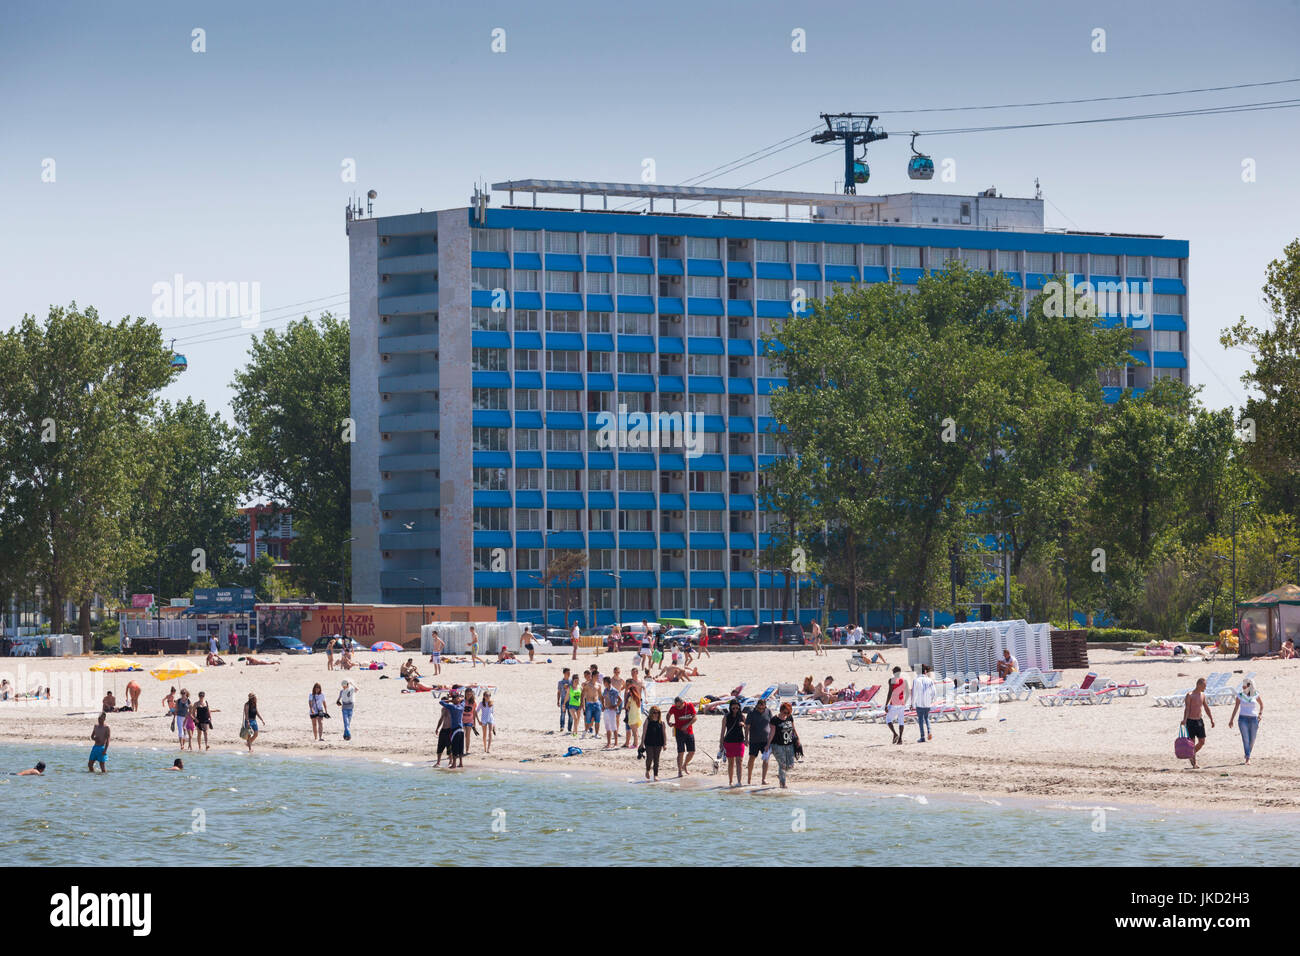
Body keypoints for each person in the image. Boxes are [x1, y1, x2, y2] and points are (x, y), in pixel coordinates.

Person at [1181, 676, 1215, 769]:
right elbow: (1187, 708)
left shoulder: (1203, 695)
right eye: (1204, 685)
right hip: (1190, 721)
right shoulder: (1190, 695)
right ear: (1199, 685)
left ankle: (1191, 753)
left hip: (1199, 720)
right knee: (1192, 742)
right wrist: (1184, 719)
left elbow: (1206, 708)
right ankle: (1194, 763)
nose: (1205, 688)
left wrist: (1211, 719)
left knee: (1202, 741)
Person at [1228, 678, 1263, 764]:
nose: (1243, 687)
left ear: (1249, 686)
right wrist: (1231, 719)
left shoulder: (1256, 694)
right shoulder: (1240, 695)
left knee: (1253, 739)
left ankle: (1248, 753)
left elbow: (1262, 705)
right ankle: (1248, 757)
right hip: (1242, 719)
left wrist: (1260, 714)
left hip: (1254, 719)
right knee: (1246, 739)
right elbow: (1236, 708)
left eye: (1244, 686)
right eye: (1243, 686)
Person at [768, 701, 799, 789]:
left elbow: (793, 729)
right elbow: (772, 733)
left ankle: (781, 775)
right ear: (781, 710)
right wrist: (768, 744)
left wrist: (797, 738)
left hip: (789, 744)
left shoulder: (789, 717)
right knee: (782, 765)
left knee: (790, 765)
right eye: (785, 712)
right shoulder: (774, 719)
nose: (786, 714)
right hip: (777, 745)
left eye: (788, 712)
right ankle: (783, 783)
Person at [719, 699, 747, 787]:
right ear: (730, 707)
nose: (735, 709)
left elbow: (747, 729)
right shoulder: (726, 717)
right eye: (733, 707)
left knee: (739, 761)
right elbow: (723, 730)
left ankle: (739, 781)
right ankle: (730, 781)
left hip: (739, 741)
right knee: (730, 763)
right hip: (729, 742)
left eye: (737, 707)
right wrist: (721, 743)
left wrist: (744, 725)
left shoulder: (742, 716)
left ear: (739, 707)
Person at [667, 694, 696, 777]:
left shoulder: (689, 706)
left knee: (692, 752)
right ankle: (679, 770)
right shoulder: (673, 708)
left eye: (679, 706)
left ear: (683, 703)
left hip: (689, 731)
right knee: (681, 752)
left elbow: (695, 718)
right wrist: (669, 722)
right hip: (679, 732)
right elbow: (668, 714)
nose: (678, 708)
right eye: (677, 706)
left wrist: (687, 725)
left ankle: (685, 765)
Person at [746, 697, 772, 785]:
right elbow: (747, 727)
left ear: (765, 706)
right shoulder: (751, 713)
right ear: (756, 706)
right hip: (754, 740)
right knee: (752, 758)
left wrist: (772, 738)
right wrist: (746, 739)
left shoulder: (768, 711)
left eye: (763, 708)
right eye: (759, 708)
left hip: (766, 740)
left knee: (766, 759)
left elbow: (772, 725)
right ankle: (749, 779)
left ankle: (763, 779)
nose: (761, 709)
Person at [440, 691, 466, 769]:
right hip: (461, 730)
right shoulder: (461, 706)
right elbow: (464, 700)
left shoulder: (452, 707)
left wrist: (450, 700)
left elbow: (441, 702)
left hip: (455, 730)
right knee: (460, 747)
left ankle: (454, 764)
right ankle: (461, 763)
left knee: (455, 747)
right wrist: (458, 699)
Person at [911, 665, 936, 743]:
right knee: (927, 718)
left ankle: (922, 737)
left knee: (921, 720)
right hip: (927, 703)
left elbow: (914, 693)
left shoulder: (916, 680)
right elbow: (934, 692)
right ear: (925, 671)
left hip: (920, 703)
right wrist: (931, 700)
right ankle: (929, 732)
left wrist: (912, 704)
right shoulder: (929, 680)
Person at [643, 706, 666, 781]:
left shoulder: (661, 722)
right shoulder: (647, 721)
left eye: (658, 713)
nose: (656, 714)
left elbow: (664, 734)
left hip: (659, 743)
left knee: (656, 759)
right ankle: (647, 770)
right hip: (649, 742)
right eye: (654, 713)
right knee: (649, 758)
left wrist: (665, 744)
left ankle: (656, 775)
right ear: (651, 713)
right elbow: (644, 733)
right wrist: (641, 743)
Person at [885, 666, 907, 745]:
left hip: (894, 703)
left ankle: (895, 734)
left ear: (894, 672)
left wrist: (886, 704)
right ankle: (900, 739)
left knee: (888, 719)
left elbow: (890, 693)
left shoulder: (891, 680)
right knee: (901, 721)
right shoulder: (904, 681)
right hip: (901, 703)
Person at [601, 676, 622, 749]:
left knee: (613, 726)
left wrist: (615, 706)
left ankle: (616, 743)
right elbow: (603, 698)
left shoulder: (615, 690)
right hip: (606, 709)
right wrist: (603, 706)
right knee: (607, 727)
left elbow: (620, 700)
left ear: (608, 682)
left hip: (612, 710)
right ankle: (609, 743)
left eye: (605, 682)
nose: (604, 684)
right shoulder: (605, 690)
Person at [624, 678, 643, 749]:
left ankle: (635, 744)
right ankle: (635, 743)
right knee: (636, 732)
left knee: (634, 732)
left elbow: (626, 706)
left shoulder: (631, 698)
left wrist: (627, 707)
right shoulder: (638, 698)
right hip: (637, 716)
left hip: (632, 715)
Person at [581, 669, 601, 738]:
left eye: (598, 676)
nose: (598, 677)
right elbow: (582, 694)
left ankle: (596, 734)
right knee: (588, 720)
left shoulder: (599, 685)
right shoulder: (587, 685)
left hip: (597, 703)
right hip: (589, 704)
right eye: (596, 676)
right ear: (593, 676)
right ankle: (585, 731)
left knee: (597, 720)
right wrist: (582, 705)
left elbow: (600, 695)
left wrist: (603, 704)